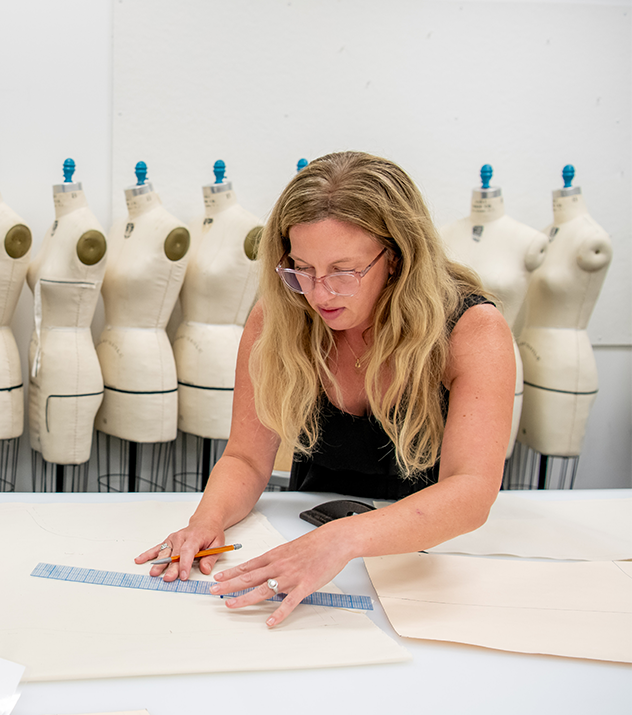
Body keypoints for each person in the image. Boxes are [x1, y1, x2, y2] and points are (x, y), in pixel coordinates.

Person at [136, 151, 514, 627]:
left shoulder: (471, 329)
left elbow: (471, 490)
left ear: (396, 258)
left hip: (428, 557)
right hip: (307, 533)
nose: (317, 294)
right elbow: (247, 459)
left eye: (343, 271)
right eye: (301, 268)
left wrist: (341, 540)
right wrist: (206, 522)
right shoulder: (279, 317)